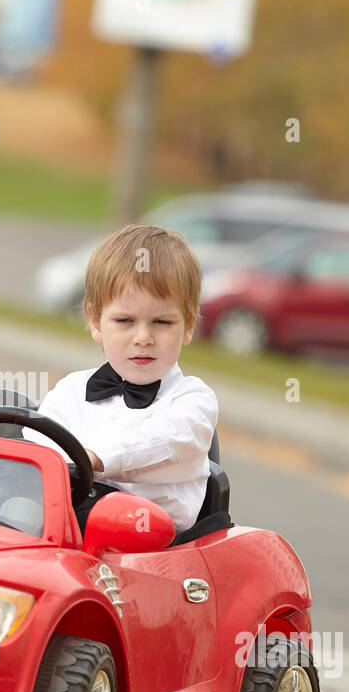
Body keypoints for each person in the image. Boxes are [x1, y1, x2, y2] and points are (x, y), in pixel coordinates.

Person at [21, 224, 218, 535]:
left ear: (189, 325)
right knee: (11, 503)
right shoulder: (72, 390)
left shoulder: (193, 401)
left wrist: (94, 459)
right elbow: (41, 451)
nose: (143, 337)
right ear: (96, 321)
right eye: (125, 321)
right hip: (67, 518)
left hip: (150, 538)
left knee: (100, 513)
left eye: (162, 322)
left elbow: (162, 440)